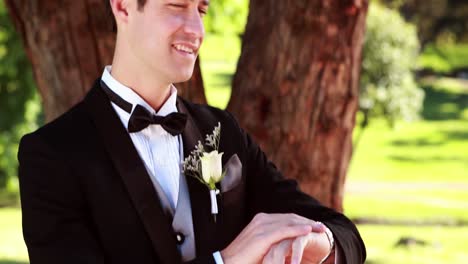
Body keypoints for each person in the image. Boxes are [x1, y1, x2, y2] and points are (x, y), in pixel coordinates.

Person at [17, 0, 366, 263]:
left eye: (201, 9)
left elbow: (346, 235)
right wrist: (224, 262)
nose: (196, 29)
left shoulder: (222, 131)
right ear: (123, 6)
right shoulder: (51, 154)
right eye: (177, 5)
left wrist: (320, 244)